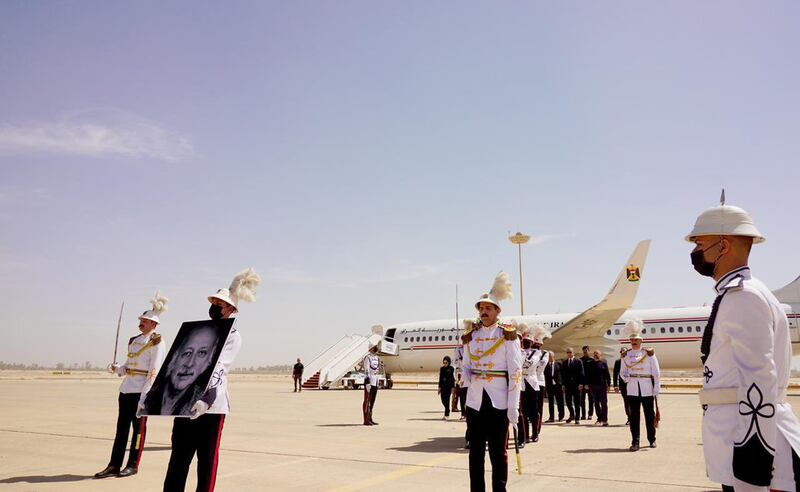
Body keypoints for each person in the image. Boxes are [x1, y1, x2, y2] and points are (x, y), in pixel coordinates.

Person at [687, 198, 800, 491]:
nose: (695, 252)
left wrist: (755, 458)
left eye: (699, 244)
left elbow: (759, 377)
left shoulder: (743, 296)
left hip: (749, 448)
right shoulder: (741, 293)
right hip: (736, 441)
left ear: (723, 246)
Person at [163, 268, 260, 492]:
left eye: (219, 303)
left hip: (211, 407)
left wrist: (206, 398)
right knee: (178, 458)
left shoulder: (233, 336)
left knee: (206, 461)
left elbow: (219, 367)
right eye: (214, 301)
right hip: (185, 403)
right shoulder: (198, 332)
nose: (214, 306)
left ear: (231, 309)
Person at [95, 292, 167, 479]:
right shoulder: (133, 341)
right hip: (127, 389)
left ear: (154, 324)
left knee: (138, 430)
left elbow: (154, 370)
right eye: (141, 319)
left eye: (145, 320)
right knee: (121, 430)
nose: (141, 322)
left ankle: (133, 464)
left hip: (141, 392)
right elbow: (129, 366)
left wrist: (146, 395)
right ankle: (114, 465)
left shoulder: (157, 342)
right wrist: (118, 368)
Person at [461, 272, 522, 492]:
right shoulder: (471, 336)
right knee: (475, 453)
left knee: (498, 453)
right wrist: (465, 376)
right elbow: (466, 364)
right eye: (481, 308)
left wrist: (513, 405)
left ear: (497, 311)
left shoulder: (507, 336)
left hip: (498, 401)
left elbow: (516, 372)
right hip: (476, 401)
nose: (483, 312)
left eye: (488, 308)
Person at [147, 324, 221, 416]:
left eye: (201, 353)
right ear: (175, 356)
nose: (189, 364)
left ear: (208, 362)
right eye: (187, 353)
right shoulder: (151, 397)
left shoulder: (198, 400)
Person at [620, 319, 660, 451]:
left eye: (636, 340)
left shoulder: (648, 354)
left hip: (646, 388)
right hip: (632, 389)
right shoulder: (626, 355)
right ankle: (635, 442)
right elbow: (623, 372)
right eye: (632, 340)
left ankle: (652, 439)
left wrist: (656, 389)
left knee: (649, 416)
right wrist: (627, 379)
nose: (634, 342)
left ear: (641, 341)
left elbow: (656, 372)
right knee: (634, 417)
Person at [561, 348, 583, 424]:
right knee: (568, 402)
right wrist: (563, 384)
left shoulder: (578, 361)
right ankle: (572, 414)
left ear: (573, 353)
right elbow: (563, 375)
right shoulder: (565, 362)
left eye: (570, 352)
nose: (569, 354)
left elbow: (581, 373)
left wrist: (581, 383)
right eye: (567, 352)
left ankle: (577, 418)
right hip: (568, 385)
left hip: (576, 385)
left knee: (577, 402)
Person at [588, 350, 610, 426]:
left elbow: (607, 375)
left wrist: (609, 385)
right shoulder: (590, 364)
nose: (595, 355)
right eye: (594, 354)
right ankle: (599, 419)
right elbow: (588, 375)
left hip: (602, 386)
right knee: (596, 403)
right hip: (593, 387)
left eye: (597, 353)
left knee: (604, 403)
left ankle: (605, 420)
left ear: (601, 355)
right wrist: (588, 384)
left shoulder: (603, 363)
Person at [362, 344, 381, 425]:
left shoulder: (377, 358)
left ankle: (370, 418)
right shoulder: (368, 357)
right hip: (369, 381)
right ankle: (366, 420)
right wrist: (367, 382)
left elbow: (377, 369)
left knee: (372, 401)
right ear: (371, 349)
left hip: (375, 381)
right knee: (367, 401)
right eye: (374, 347)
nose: (376, 348)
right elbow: (366, 370)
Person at [544, 351, 564, 422]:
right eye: (548, 356)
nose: (549, 358)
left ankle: (561, 416)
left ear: (553, 356)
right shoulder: (545, 366)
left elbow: (562, 375)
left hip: (558, 385)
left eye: (550, 356)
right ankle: (551, 417)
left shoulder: (558, 364)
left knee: (560, 402)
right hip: (549, 386)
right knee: (551, 402)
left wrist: (562, 384)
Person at [613, 347, 631, 425]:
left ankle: (634, 418)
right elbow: (615, 374)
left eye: (624, 351)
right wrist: (615, 385)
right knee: (626, 402)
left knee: (633, 402)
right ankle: (629, 418)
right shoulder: (618, 362)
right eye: (621, 351)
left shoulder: (631, 361)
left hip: (631, 384)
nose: (623, 352)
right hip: (623, 385)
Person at [579, 346, 594, 421]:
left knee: (591, 400)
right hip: (582, 383)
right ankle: (583, 415)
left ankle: (590, 414)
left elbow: (593, 374)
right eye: (584, 351)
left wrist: (588, 384)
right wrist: (581, 384)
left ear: (589, 351)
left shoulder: (592, 360)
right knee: (582, 400)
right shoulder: (580, 360)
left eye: (586, 351)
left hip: (590, 384)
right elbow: (580, 373)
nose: (585, 352)